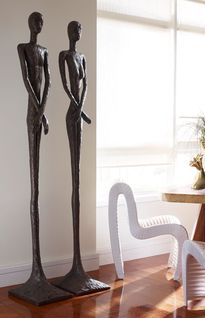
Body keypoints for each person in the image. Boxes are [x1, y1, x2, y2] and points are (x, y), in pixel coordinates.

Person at [9, 12, 71, 305]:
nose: (40, 26)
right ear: (29, 25)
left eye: (42, 23)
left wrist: (44, 111)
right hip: (31, 114)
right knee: (34, 188)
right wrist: (39, 112)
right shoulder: (24, 48)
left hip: (40, 111)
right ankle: (35, 271)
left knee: (38, 187)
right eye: (36, 22)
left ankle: (40, 272)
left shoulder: (45, 52)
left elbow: (47, 81)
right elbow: (27, 80)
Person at [55, 21, 109, 295]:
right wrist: (78, 108)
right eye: (75, 29)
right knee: (74, 178)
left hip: (79, 113)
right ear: (69, 33)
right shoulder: (64, 56)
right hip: (71, 115)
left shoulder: (83, 57)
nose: (78, 33)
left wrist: (83, 106)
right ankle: (75, 267)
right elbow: (64, 83)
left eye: (80, 30)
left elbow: (84, 83)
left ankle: (80, 266)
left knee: (79, 180)